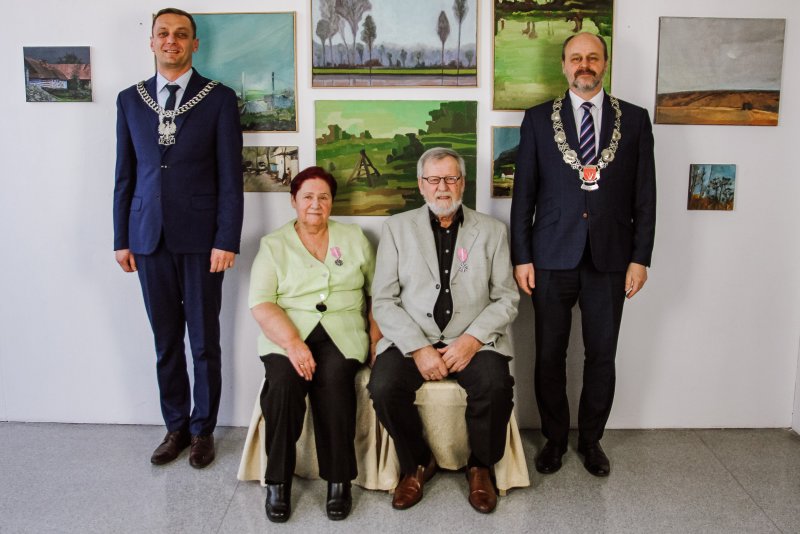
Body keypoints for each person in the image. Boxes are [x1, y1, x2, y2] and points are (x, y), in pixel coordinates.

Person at [510, 32, 656, 477]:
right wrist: (521, 256)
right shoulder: (538, 120)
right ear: (564, 65)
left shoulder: (635, 119)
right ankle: (554, 440)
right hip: (550, 256)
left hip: (611, 258)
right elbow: (524, 195)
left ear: (605, 63)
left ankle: (591, 441)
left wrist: (640, 258)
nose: (584, 64)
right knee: (549, 355)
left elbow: (645, 196)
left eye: (592, 57)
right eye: (576, 58)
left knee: (602, 356)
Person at [113, 7, 243, 469]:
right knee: (165, 341)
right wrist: (121, 238)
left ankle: (203, 429)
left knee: (203, 342)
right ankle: (175, 428)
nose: (172, 40)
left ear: (194, 44)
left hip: (203, 241)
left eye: (181, 34)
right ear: (151, 42)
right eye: (163, 33)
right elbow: (124, 175)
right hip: (147, 238)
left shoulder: (219, 99)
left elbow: (231, 179)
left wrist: (227, 238)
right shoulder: (129, 100)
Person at [368, 147, 519, 514]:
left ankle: (480, 467)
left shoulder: (493, 231)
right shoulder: (396, 229)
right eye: (434, 179)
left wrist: (472, 340)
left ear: (462, 183)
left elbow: (507, 298)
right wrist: (418, 348)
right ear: (421, 185)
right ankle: (417, 463)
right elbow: (383, 300)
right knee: (383, 387)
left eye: (451, 178)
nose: (442, 187)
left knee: (496, 386)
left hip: (472, 339)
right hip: (412, 338)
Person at [249, 166, 380, 522]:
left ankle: (339, 480)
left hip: (342, 332)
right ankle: (277, 482)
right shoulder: (273, 245)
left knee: (335, 382)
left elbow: (378, 293)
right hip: (287, 334)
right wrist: (292, 343)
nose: (315, 204)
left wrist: (376, 338)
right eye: (307, 196)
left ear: (332, 202)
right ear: (293, 200)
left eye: (323, 197)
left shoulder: (354, 237)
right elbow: (261, 302)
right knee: (282, 386)